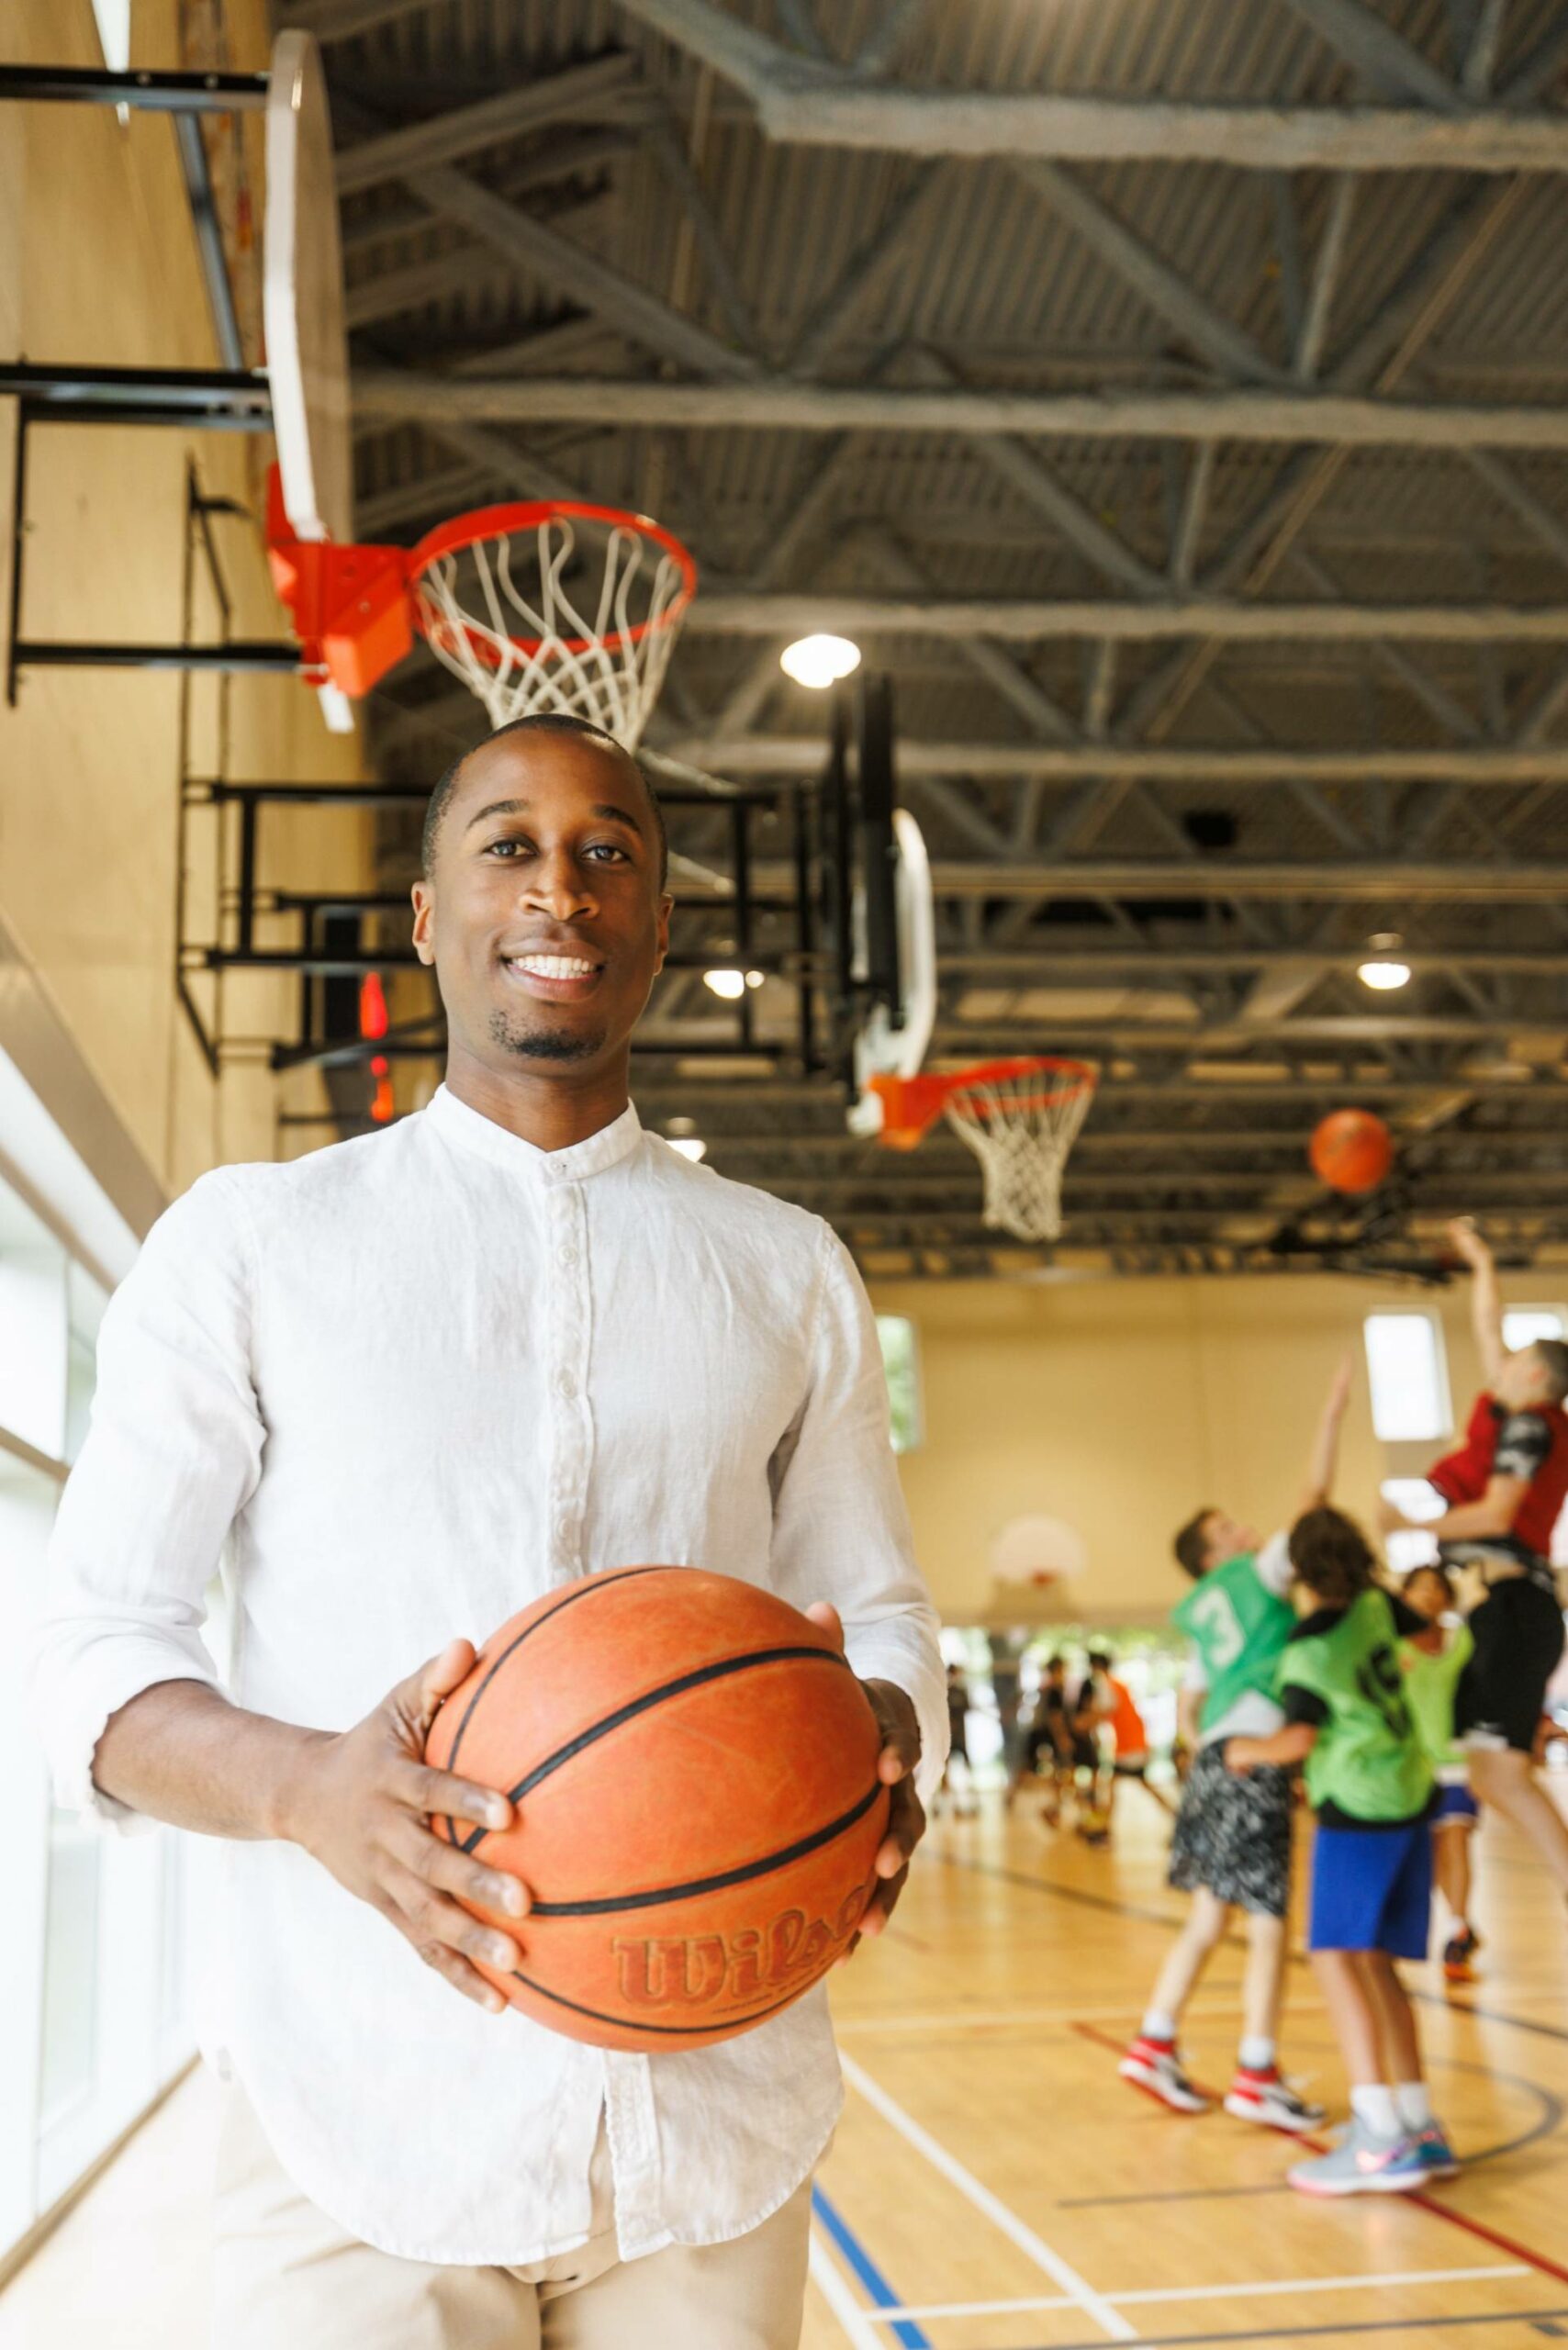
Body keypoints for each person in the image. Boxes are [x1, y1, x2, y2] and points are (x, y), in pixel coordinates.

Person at [30, 714, 946, 2350]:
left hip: (712, 2115)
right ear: (425, 913)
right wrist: (305, 1788)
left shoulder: (785, 1265)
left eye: (611, 853)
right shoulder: (252, 1243)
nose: (562, 889)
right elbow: (93, 1651)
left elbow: (871, 1606)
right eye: (508, 846)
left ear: (659, 922)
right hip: (354, 2119)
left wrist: (875, 1745)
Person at [1118, 1359, 1352, 2132]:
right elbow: (1313, 1508)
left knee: (1210, 1920)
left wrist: (1204, 1751)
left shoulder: (1200, 1611)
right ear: (1213, 1556)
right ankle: (1257, 2070)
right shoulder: (1257, 1577)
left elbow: (1189, 1706)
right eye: (1225, 1531)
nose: (1241, 1530)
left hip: (1216, 1758)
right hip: (1249, 1755)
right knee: (1267, 1922)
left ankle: (1154, 2043)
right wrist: (1329, 1417)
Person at [1226, 1508, 1456, 2196]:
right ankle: (1417, 2124)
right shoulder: (1378, 1605)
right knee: (1378, 1964)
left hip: (1359, 1807)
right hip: (1411, 1788)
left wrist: (1246, 1751)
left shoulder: (1307, 1647)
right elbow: (1438, 1640)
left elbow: (1296, 1740)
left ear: (1296, 1572)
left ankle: (1378, 2134)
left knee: (1333, 1957)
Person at [1381, 1218, 1568, 1905]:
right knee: (1491, 1775)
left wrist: (1409, 1521)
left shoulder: (1529, 1427)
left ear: (1537, 1376)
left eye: (1515, 1358)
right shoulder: (1506, 1414)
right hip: (1500, 1611)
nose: (1500, 1360)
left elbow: (1493, 1516)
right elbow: (1487, 1325)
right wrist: (1479, 1256)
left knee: (1504, 1775)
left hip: (1516, 1607)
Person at [1399, 1563, 1481, 1982]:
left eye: (1437, 1588)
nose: (1429, 1595)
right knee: (1427, 1858)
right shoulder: (1392, 1648)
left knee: (1456, 1840)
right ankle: (1429, 1928)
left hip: (1458, 1763)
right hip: (1412, 1768)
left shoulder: (1461, 1641)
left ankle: (1458, 1929)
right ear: (1404, 1595)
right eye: (1419, 1587)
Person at [1092, 1651, 1177, 1832]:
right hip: (1133, 1744)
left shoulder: (1108, 1686)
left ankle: (1105, 1827)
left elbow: (1104, 1711)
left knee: (1115, 1785)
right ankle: (1106, 1826)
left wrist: (1084, 1722)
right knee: (1121, 1785)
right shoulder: (1118, 1685)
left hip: (1130, 1747)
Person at [1024, 1653, 1073, 1825]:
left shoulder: (1050, 1689)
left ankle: (1054, 1808)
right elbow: (1055, 1717)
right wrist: (1062, 1737)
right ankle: (1052, 1809)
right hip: (1047, 1736)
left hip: (1045, 1735)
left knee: (1056, 1773)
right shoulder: (1053, 1691)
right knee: (1057, 1773)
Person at [939, 1662, 979, 1817]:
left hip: (961, 1738)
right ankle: (946, 1804)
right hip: (948, 1738)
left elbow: (968, 1708)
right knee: (944, 1771)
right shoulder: (945, 1692)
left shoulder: (962, 1692)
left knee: (967, 1769)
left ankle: (972, 1802)